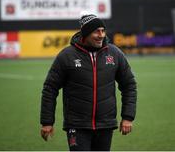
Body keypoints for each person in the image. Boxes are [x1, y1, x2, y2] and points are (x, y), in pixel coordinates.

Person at [40, 14, 137, 151]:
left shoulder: (115, 53)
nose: (101, 35)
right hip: (77, 125)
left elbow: (129, 85)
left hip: (105, 125)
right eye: (96, 31)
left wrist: (128, 117)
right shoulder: (66, 56)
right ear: (85, 34)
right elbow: (50, 89)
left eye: (103, 31)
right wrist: (47, 122)